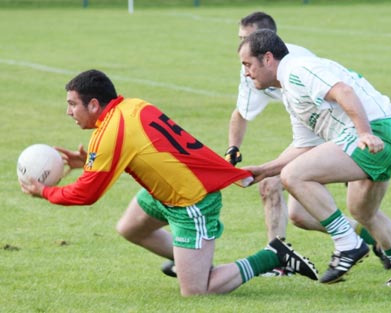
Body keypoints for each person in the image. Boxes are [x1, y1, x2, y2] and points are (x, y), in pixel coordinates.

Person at [19, 69, 319, 297]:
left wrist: (45, 191)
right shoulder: (131, 107)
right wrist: (85, 163)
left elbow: (87, 193)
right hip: (164, 191)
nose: (69, 111)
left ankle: (273, 255)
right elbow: (144, 155)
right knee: (130, 228)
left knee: (197, 292)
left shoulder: (111, 132)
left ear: (94, 104)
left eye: (73, 104)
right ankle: (191, 262)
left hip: (192, 202)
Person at [237, 29, 391, 286]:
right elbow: (304, 146)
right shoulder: (290, 94)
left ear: (268, 58)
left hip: (378, 132)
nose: (246, 72)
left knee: (294, 175)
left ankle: (348, 243)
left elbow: (343, 91)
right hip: (377, 135)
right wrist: (265, 170)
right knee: (363, 211)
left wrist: (364, 133)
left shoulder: (297, 69)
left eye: (248, 64)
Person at [224, 12, 391, 276]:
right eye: (240, 39)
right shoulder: (251, 67)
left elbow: (341, 94)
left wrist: (357, 139)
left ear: (267, 48)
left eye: (247, 38)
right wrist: (233, 148)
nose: (241, 45)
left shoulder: (297, 64)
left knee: (275, 183)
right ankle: (374, 240)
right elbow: (241, 113)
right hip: (314, 137)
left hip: (339, 136)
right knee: (300, 215)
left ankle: (280, 259)